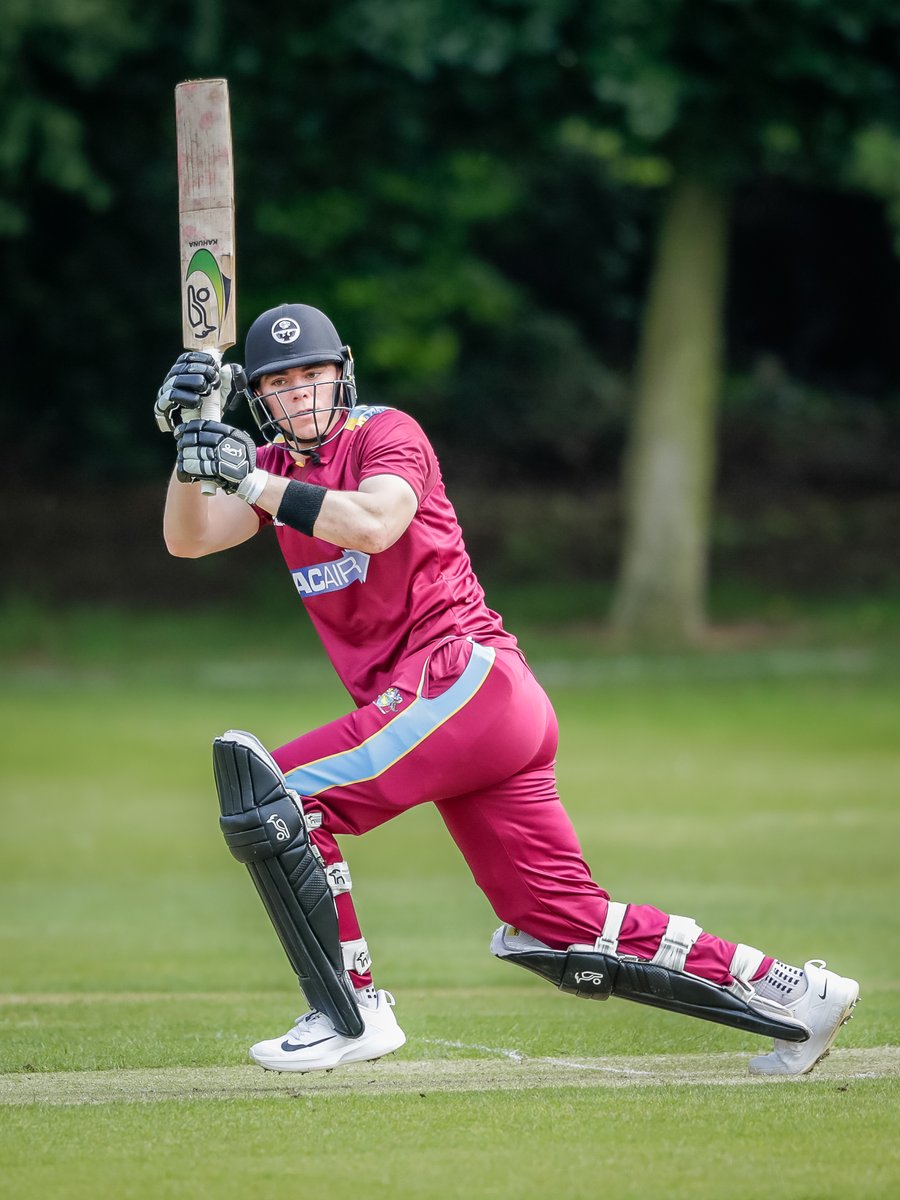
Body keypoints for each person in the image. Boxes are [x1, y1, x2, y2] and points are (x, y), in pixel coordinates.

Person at [156, 302, 859, 1077]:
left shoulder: (386, 434)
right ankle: (798, 992)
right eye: (280, 384)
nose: (301, 394)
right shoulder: (275, 470)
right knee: (559, 923)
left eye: (313, 375)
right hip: (467, 716)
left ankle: (349, 1012)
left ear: (342, 373)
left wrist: (246, 473)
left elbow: (373, 526)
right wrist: (192, 438)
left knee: (276, 799)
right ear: (259, 397)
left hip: (462, 681)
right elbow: (188, 537)